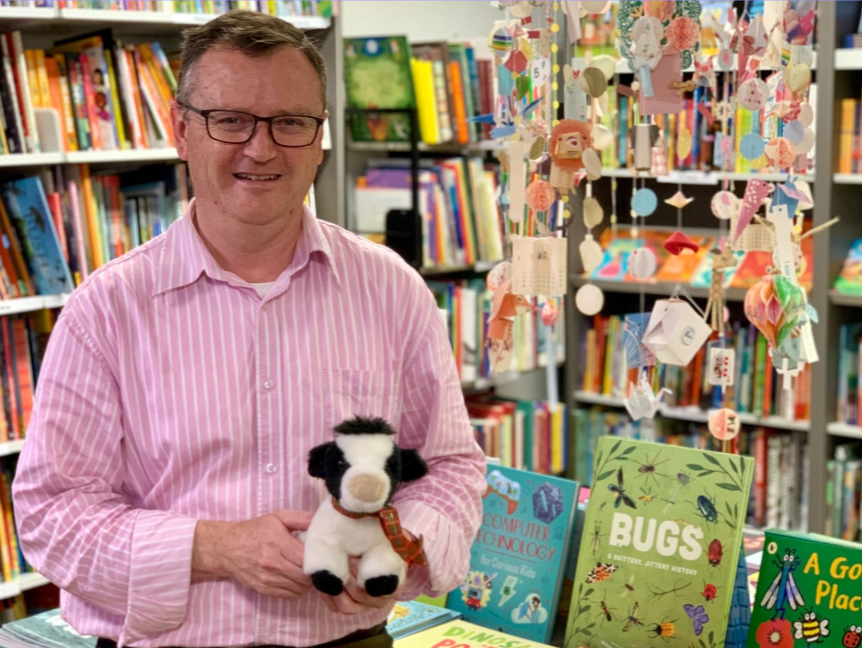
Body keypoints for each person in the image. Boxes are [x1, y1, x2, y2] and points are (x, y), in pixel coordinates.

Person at [12, 11, 486, 648]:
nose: (260, 149)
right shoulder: (106, 310)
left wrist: (397, 546)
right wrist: (212, 547)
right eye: (229, 120)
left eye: (291, 123)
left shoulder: (391, 289)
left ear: (321, 137)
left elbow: (452, 466)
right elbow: (51, 516)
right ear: (182, 130)